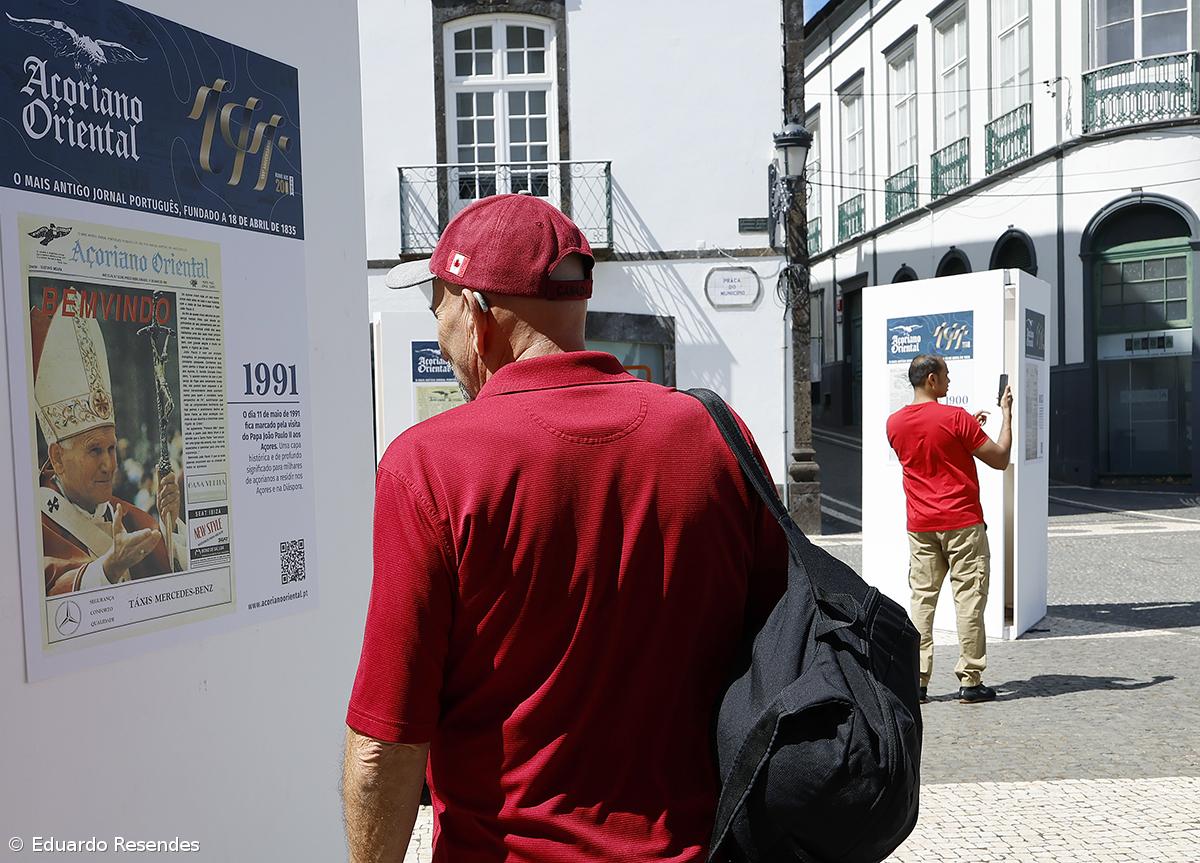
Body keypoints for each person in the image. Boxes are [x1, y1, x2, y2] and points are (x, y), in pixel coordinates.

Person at [342, 194, 787, 862]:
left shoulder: (427, 466)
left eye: (437, 304)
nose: (439, 329)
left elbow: (383, 749)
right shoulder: (716, 437)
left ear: (475, 314)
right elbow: (776, 650)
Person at [31, 305, 186, 595]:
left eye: (111, 448)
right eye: (94, 451)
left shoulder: (128, 516)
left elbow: (178, 574)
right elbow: (44, 593)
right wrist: (107, 569)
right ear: (57, 458)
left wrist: (168, 524)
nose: (108, 464)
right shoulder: (33, 526)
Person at [886, 353, 1012, 705]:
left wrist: (964, 428)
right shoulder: (955, 419)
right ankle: (970, 681)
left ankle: (918, 681)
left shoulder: (894, 424)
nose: (949, 381)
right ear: (930, 379)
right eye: (946, 375)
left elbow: (928, 448)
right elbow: (1000, 458)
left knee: (922, 603)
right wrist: (1007, 417)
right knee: (969, 601)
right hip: (962, 523)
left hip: (921, 525)